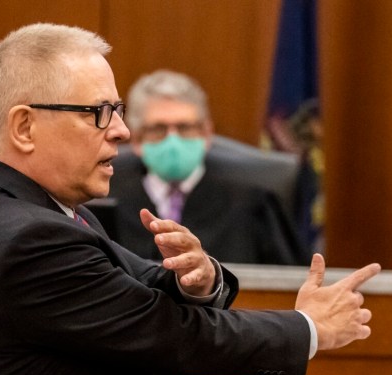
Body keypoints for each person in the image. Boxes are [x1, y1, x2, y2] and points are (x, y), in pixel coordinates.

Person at [0, 23, 381, 375]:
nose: (122, 132)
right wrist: (308, 329)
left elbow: (143, 283)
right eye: (98, 113)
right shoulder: (26, 236)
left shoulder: (28, 209)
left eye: (119, 111)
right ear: (24, 126)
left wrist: (199, 278)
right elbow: (166, 332)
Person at [109, 69, 308, 265]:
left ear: (206, 133)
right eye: (158, 129)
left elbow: (286, 285)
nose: (173, 140)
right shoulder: (106, 198)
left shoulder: (251, 203)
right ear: (136, 139)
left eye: (185, 127)